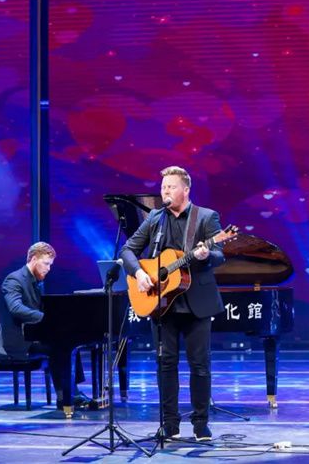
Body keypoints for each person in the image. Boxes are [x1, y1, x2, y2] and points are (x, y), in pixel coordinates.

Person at [120, 166, 225, 441]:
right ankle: (170, 424)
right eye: (163, 187)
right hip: (162, 304)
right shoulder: (156, 218)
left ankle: (201, 423)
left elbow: (219, 254)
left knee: (199, 364)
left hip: (196, 302)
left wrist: (206, 255)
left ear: (185, 190)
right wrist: (139, 273)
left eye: (171, 187)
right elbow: (128, 250)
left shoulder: (206, 217)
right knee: (165, 364)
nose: (165, 191)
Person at [0, 242, 92, 413]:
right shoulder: (14, 279)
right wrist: (45, 318)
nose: (48, 269)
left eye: (50, 265)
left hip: (32, 336)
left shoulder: (37, 281)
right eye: (46, 264)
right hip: (16, 341)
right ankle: (65, 396)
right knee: (59, 347)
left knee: (69, 343)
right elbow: (16, 308)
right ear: (33, 259)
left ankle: (70, 392)